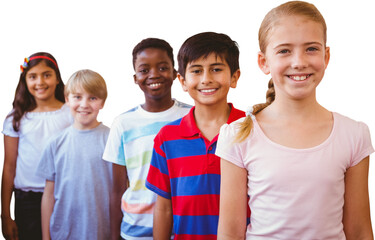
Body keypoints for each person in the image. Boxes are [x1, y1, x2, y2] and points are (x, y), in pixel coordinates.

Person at [216, 1, 374, 239]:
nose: (299, 61)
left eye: (311, 48)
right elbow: (229, 232)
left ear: (326, 55)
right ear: (263, 62)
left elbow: (360, 230)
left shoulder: (353, 135)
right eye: (284, 50)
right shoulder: (238, 135)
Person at [146, 32, 246, 240]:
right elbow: (164, 208)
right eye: (197, 71)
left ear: (234, 77)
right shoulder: (167, 138)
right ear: (182, 81)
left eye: (216, 69)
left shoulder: (251, 129)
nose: (206, 79)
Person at [102, 38, 191, 240]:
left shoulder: (191, 117)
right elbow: (117, 191)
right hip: (134, 231)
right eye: (144, 70)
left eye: (162, 67)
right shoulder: (122, 124)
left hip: (181, 229)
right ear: (135, 78)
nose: (154, 75)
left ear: (175, 73)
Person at [1, 52, 72, 240]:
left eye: (47, 75)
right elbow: (9, 166)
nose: (40, 82)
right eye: (33, 76)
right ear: (25, 80)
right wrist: (6, 215)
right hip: (27, 200)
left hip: (64, 195)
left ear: (57, 78)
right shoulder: (15, 119)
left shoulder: (71, 113)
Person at [36, 69, 112, 240]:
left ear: (102, 102)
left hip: (102, 232)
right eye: (77, 97)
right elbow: (48, 195)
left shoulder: (112, 139)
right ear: (67, 100)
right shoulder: (55, 143)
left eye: (93, 98)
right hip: (63, 233)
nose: (84, 104)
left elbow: (121, 189)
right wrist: (46, 237)